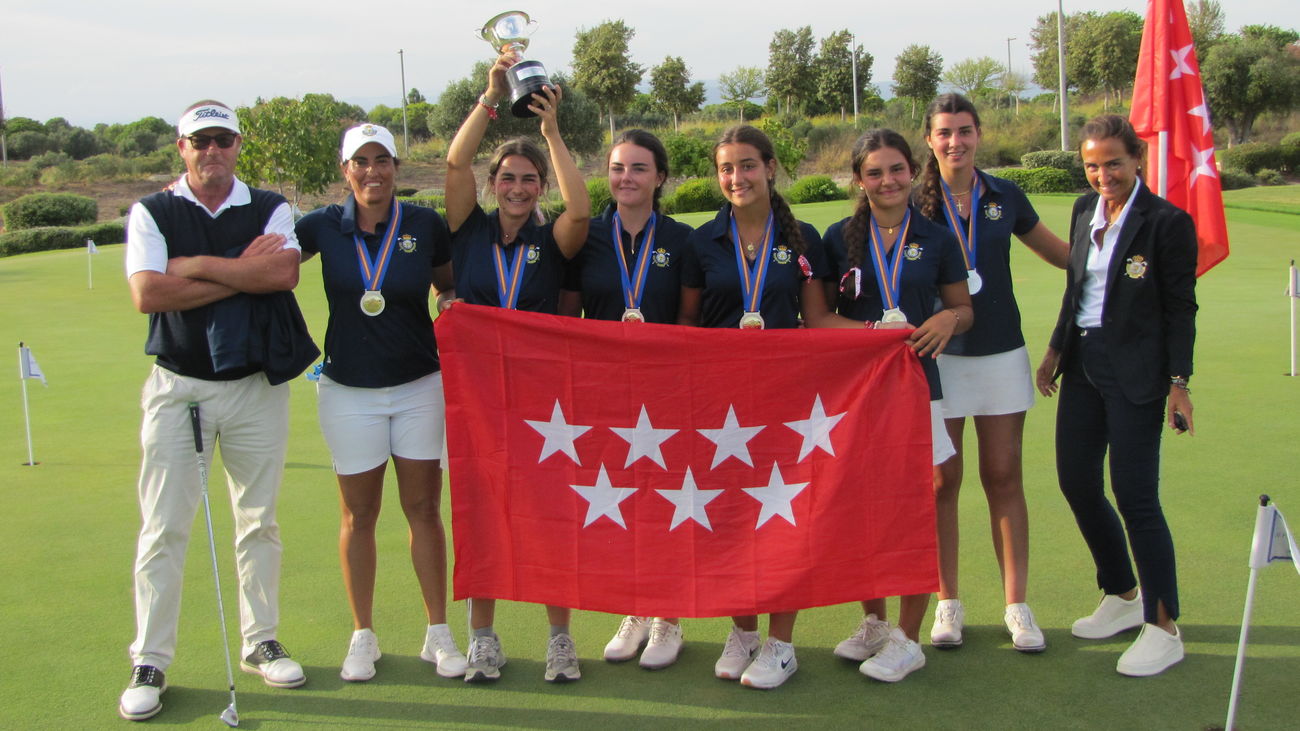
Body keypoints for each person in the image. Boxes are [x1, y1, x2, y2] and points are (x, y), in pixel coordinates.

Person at [120, 100, 317, 721]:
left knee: (258, 521)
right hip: (179, 386)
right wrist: (243, 270)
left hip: (256, 385)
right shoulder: (152, 210)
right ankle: (150, 658)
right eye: (200, 140)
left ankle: (260, 640)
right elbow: (149, 292)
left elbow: (283, 272)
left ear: (237, 145)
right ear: (181, 147)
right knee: (164, 527)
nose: (212, 150)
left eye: (223, 140)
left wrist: (200, 266)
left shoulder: (269, 206)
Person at [294, 123, 467, 683]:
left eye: (383, 160)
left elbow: (445, 284)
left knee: (423, 510)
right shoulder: (321, 225)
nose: (373, 171)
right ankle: (362, 635)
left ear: (396, 166)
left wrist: (455, 307)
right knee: (359, 514)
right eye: (361, 161)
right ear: (345, 171)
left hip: (419, 385)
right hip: (347, 392)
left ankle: (437, 633)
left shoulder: (423, 223)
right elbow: (272, 267)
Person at [442, 53, 591, 683]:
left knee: (550, 516)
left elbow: (582, 211)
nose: (518, 188)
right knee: (481, 513)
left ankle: (560, 638)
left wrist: (552, 134)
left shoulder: (550, 238)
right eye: (508, 178)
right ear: (493, 182)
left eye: (529, 180)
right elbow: (453, 163)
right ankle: (483, 638)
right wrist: (489, 96)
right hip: (477, 400)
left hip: (542, 403)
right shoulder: (466, 229)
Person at [1036, 114, 1197, 677]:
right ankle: (1123, 595)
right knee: (1076, 481)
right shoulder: (1084, 210)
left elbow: (1181, 308)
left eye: (1113, 163)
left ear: (1137, 160)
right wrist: (1056, 349)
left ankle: (1163, 626)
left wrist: (1180, 383)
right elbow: (1075, 287)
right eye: (1092, 164)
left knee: (1135, 496)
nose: (1103, 173)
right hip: (1082, 363)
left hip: (1137, 372)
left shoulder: (1166, 222)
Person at [908, 93, 1070, 653]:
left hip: (1001, 353)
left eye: (965, 130)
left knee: (1003, 478)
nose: (956, 141)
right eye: (945, 133)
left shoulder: (1004, 194)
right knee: (940, 483)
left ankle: (1017, 606)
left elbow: (1060, 254)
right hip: (937, 359)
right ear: (929, 140)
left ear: (980, 134)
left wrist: (1123, 255)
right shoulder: (911, 202)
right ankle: (948, 605)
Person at [678, 124, 837, 689]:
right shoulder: (702, 242)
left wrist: (886, 334)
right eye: (726, 168)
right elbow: (689, 326)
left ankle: (781, 643)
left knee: (781, 514)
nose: (736, 177)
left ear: (770, 167)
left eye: (747, 165)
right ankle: (743, 632)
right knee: (727, 515)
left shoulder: (803, 237)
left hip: (783, 398)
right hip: (719, 403)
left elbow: (818, 319)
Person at [821, 128, 973, 683]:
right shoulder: (839, 238)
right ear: (860, 180)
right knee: (862, 505)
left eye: (896, 170)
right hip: (857, 393)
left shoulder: (937, 237)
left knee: (917, 505)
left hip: (916, 389)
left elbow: (963, 309)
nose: (887, 181)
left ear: (912, 171)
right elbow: (817, 319)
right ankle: (875, 624)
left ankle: (909, 636)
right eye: (874, 173)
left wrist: (946, 320)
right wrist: (870, 336)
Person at [557, 129, 694, 668]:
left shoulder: (683, 239)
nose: (626, 178)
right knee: (622, 500)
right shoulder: (584, 236)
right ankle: (637, 607)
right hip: (606, 390)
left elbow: (688, 320)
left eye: (639, 168)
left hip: (665, 390)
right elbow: (567, 315)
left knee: (667, 499)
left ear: (660, 177)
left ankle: (669, 616)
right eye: (617, 168)